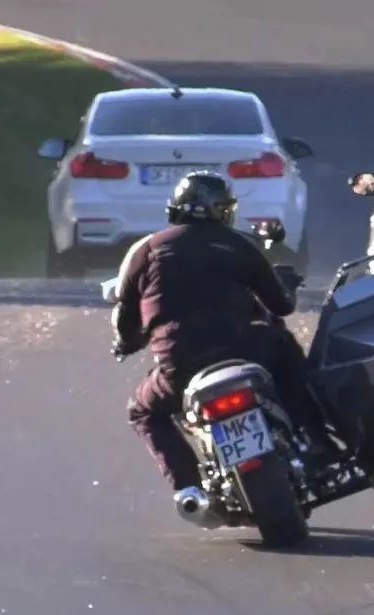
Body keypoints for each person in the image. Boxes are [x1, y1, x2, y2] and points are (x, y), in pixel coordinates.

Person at [110, 171, 341, 499]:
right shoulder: (238, 245)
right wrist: (286, 285)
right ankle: (318, 440)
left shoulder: (145, 251)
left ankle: (190, 490)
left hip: (180, 364)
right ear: (222, 210)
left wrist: (125, 342)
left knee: (142, 410)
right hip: (247, 350)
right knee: (286, 354)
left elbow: (125, 317)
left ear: (174, 209)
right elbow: (281, 305)